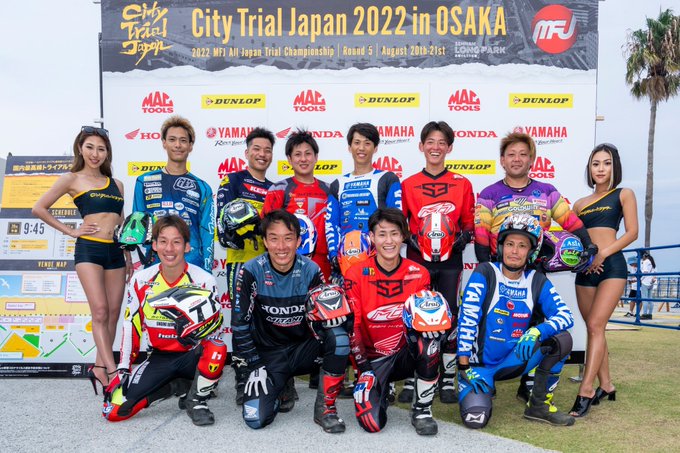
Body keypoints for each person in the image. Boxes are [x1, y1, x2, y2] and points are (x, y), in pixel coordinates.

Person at [474, 131, 597, 402]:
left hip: (535, 271)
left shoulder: (548, 191)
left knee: (539, 325)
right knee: (493, 325)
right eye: (511, 154)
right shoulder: (489, 194)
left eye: (523, 154)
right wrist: (487, 273)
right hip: (500, 270)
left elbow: (571, 221)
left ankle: (529, 384)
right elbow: (481, 234)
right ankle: (487, 376)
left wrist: (588, 245)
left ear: (532, 160)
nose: (517, 159)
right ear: (502, 160)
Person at [232, 209, 351, 433]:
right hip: (269, 356)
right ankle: (281, 385)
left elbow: (325, 320)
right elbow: (239, 326)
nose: (281, 246)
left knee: (340, 337)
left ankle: (325, 409)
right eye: (274, 238)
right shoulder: (251, 270)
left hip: (304, 350)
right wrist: (255, 365)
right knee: (256, 419)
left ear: (298, 241)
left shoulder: (311, 269)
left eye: (288, 238)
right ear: (265, 241)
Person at [32, 126, 131, 391]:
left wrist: (127, 253)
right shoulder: (71, 179)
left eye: (101, 149)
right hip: (89, 250)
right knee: (99, 311)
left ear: (107, 152)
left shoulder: (117, 184)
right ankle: (113, 371)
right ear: (80, 148)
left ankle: (99, 367)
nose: (95, 154)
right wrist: (71, 231)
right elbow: (38, 208)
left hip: (115, 251)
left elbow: (120, 221)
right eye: (90, 147)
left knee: (113, 313)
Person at [102, 215, 227, 425]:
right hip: (159, 357)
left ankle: (197, 400)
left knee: (217, 347)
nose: (169, 249)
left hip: (192, 355)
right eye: (163, 241)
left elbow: (215, 330)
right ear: (154, 245)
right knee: (114, 412)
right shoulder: (141, 279)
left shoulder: (204, 280)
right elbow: (131, 326)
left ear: (187, 246)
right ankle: (174, 387)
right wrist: (123, 369)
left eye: (176, 242)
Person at [458, 213, 575, 428]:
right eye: (510, 244)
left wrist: (538, 331)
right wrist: (464, 366)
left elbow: (566, 316)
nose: (514, 251)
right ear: (501, 247)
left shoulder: (536, 280)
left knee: (562, 339)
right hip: (478, 367)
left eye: (522, 246)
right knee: (475, 421)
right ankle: (484, 386)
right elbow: (467, 319)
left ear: (531, 251)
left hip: (514, 360)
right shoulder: (485, 272)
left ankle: (538, 406)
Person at [345, 208, 440, 436]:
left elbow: (425, 322)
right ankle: (381, 386)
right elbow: (352, 327)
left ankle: (422, 410)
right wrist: (363, 369)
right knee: (372, 425)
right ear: (371, 237)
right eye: (382, 234)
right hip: (372, 361)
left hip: (404, 355)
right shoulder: (355, 274)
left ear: (403, 236)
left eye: (394, 233)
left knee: (431, 338)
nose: (389, 241)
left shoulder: (419, 273)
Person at [400, 120, 475, 404]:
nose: (435, 147)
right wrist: (410, 240)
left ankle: (447, 378)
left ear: (449, 148)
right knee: (414, 316)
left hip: (450, 262)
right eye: (430, 142)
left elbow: (469, 223)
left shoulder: (462, 183)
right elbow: (400, 223)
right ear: (421, 146)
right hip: (417, 261)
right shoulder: (408, 184)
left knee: (450, 316)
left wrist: (463, 238)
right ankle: (412, 376)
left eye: (441, 142)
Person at [570, 143, 638, 417]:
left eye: (606, 163)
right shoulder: (579, 204)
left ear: (614, 167)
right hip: (585, 270)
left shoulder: (624, 194)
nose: (600, 169)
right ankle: (607, 385)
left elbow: (632, 232)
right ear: (589, 168)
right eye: (595, 163)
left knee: (596, 325)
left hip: (611, 266)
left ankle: (586, 390)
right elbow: (574, 239)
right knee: (593, 329)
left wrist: (603, 254)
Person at [215, 127, 275, 405]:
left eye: (267, 150)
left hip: (270, 263)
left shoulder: (275, 188)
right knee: (241, 321)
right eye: (257, 149)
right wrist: (244, 230)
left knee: (266, 320)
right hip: (241, 263)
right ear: (247, 152)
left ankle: (269, 374)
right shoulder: (233, 180)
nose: (262, 154)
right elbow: (223, 226)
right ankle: (242, 378)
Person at [133, 115, 214, 272]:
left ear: (190, 145)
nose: (178, 145)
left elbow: (207, 233)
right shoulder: (144, 182)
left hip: (192, 265)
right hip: (155, 265)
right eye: (172, 139)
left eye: (183, 140)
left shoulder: (203, 188)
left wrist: (207, 270)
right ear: (164, 143)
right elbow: (138, 229)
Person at [325, 122, 402, 271]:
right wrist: (334, 255)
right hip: (346, 259)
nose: (361, 148)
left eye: (367, 143)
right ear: (349, 147)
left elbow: (397, 220)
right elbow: (331, 224)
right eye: (357, 143)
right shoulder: (338, 184)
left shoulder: (388, 178)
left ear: (375, 148)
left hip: (379, 259)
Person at [263, 129, 332, 280]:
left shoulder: (329, 190)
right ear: (289, 159)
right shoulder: (279, 189)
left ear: (316, 157)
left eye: (308, 154)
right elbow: (267, 229)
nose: (303, 159)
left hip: (323, 264)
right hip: (287, 263)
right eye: (297, 154)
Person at [639, 253, 657, 320]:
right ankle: (650, 314)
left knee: (645, 299)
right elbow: (655, 273)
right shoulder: (652, 262)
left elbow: (645, 272)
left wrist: (640, 279)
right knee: (650, 299)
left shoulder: (645, 262)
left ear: (644, 256)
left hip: (645, 282)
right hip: (651, 282)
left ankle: (645, 314)